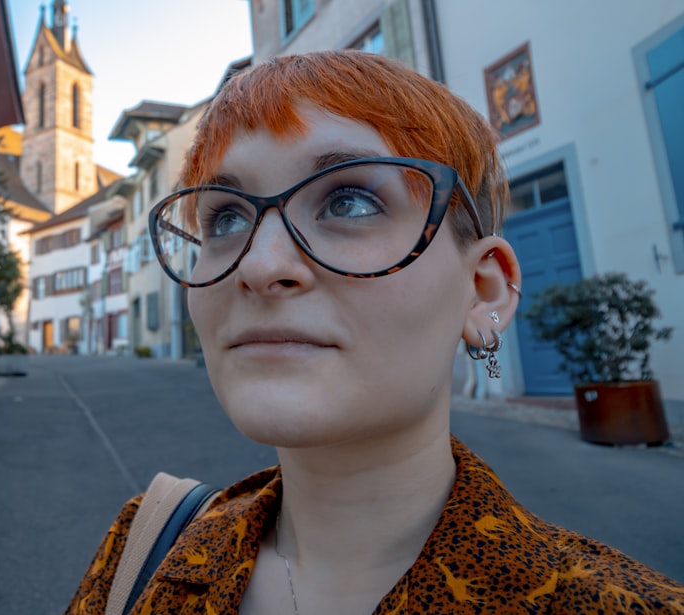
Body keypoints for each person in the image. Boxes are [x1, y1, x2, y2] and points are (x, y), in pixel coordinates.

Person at [65, 50, 684, 614]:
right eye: (225, 216)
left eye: (349, 202)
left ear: (483, 293)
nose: (258, 265)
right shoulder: (141, 556)